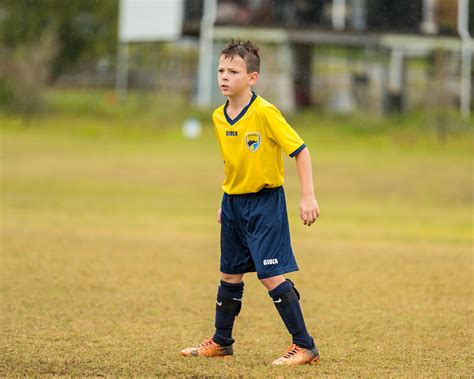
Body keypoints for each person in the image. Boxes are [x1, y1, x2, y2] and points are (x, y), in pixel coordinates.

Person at [181, 40, 321, 366]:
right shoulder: (219, 117)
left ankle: (304, 345)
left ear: (252, 78)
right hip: (232, 203)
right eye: (220, 70)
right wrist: (226, 201)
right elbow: (233, 163)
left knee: (269, 275)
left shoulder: (265, 113)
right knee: (229, 273)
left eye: (233, 71)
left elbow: (301, 151)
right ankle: (221, 341)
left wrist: (308, 195)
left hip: (265, 203)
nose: (224, 77)